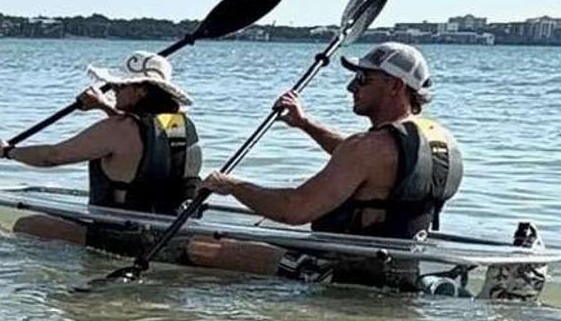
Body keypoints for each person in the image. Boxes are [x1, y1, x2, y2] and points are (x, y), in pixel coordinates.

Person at [192, 41, 462, 287]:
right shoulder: (439, 141)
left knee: (201, 247)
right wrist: (305, 123)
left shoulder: (368, 148)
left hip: (342, 273)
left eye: (363, 78)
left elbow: (294, 210)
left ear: (395, 86)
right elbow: (364, 162)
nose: (351, 87)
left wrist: (231, 186)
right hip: (402, 271)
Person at [0, 52, 202, 253]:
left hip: (122, 238)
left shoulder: (119, 128)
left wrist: (8, 151)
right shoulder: (179, 125)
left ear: (141, 91)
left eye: (121, 85)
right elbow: (142, 139)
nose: (114, 88)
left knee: (27, 224)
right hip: (169, 233)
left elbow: (52, 157)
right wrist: (104, 106)